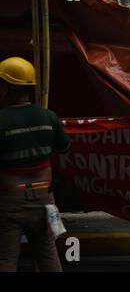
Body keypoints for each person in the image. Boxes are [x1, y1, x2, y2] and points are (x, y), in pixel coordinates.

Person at [0, 57, 71, 272]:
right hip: (44, 199)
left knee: (6, 259)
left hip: (9, 200)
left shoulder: (1, 120)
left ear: (7, 87)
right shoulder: (48, 117)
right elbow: (64, 151)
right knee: (48, 253)